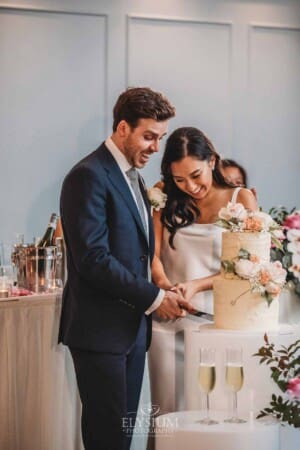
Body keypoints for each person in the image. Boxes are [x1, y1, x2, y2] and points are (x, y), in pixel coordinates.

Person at [58, 87, 195, 450]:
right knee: (107, 440)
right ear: (122, 128)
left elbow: (138, 253)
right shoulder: (87, 176)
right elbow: (93, 260)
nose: (155, 147)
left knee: (122, 436)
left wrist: (162, 287)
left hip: (131, 330)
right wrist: (153, 298)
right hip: (100, 332)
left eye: (160, 138)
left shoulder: (135, 176)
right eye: (148, 136)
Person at [148, 127, 257, 415]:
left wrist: (196, 285)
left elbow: (249, 267)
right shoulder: (162, 195)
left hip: (217, 324)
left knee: (210, 416)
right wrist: (164, 285)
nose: (190, 187)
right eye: (179, 179)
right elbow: (152, 255)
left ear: (211, 161)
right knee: (168, 417)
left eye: (196, 176)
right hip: (168, 321)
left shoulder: (241, 198)